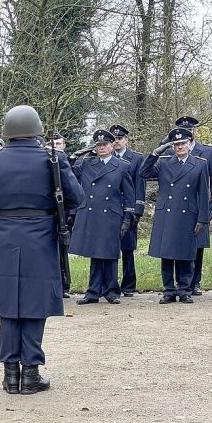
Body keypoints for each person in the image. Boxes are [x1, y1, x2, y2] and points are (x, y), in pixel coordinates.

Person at [0, 105, 83, 395]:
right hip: (41, 238)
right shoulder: (52, 159)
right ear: (37, 130)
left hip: (5, 237)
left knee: (8, 307)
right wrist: (59, 224)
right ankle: (30, 373)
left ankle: (10, 374)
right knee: (34, 305)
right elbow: (76, 197)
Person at [141, 129, 210, 304]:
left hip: (188, 213)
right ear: (172, 146)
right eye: (176, 144)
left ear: (189, 144)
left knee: (186, 253)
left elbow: (203, 193)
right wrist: (154, 154)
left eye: (183, 144)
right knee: (167, 254)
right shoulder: (164, 162)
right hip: (167, 213)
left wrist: (203, 218)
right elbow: (144, 172)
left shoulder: (200, 164)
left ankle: (184, 290)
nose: (180, 147)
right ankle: (169, 290)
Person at [69, 129, 135, 305]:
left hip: (111, 213)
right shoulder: (86, 164)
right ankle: (93, 291)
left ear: (112, 146)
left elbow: (129, 194)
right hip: (92, 212)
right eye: (98, 145)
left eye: (105, 144)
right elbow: (67, 172)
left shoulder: (122, 165)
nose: (101, 148)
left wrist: (128, 217)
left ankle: (112, 291)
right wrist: (75, 156)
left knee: (110, 252)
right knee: (94, 252)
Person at [170, 116, 212, 295]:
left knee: (197, 244)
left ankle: (195, 281)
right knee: (177, 244)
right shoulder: (172, 151)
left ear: (194, 132)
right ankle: (179, 282)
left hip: (199, 203)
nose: (188, 132)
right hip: (177, 206)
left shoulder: (206, 151)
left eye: (190, 129)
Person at [109, 125, 145, 297]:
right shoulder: (106, 158)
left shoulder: (136, 159)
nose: (116, 142)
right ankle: (110, 284)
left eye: (119, 139)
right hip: (111, 208)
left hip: (128, 209)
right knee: (109, 248)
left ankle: (129, 285)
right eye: (114, 139)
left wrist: (137, 211)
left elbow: (140, 185)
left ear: (126, 140)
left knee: (128, 248)